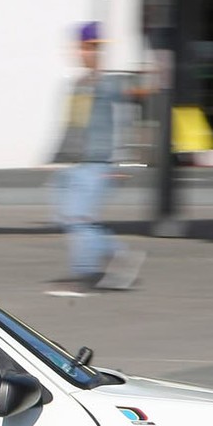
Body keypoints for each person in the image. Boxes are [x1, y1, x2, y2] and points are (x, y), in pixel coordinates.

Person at [55, 22, 146, 291]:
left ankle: (87, 273)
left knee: (80, 219)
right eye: (84, 48)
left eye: (92, 48)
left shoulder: (110, 84)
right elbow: (73, 125)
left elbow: (126, 121)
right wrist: (58, 157)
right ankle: (115, 258)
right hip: (78, 164)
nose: (87, 53)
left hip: (100, 164)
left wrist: (121, 161)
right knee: (73, 218)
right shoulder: (80, 85)